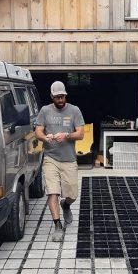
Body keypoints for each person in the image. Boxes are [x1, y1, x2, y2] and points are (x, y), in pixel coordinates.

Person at [34, 81, 85, 242]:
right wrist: (45, 138)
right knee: (52, 192)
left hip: (69, 159)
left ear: (65, 95)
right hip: (51, 158)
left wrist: (67, 135)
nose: (60, 99)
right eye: (57, 97)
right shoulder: (45, 111)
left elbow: (81, 133)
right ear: (52, 97)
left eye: (62, 96)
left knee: (72, 194)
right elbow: (38, 131)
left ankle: (66, 205)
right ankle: (57, 225)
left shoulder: (74, 110)